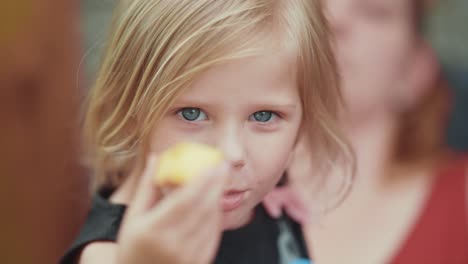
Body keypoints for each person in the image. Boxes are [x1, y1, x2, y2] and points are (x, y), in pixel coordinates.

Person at [60, 0, 353, 263]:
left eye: (264, 116)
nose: (231, 153)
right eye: (192, 114)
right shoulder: (111, 254)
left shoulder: (267, 196)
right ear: (129, 111)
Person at [265, 0, 468, 263]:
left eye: (374, 11)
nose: (333, 20)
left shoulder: (460, 196)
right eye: (313, 4)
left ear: (417, 69)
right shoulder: (218, 185)